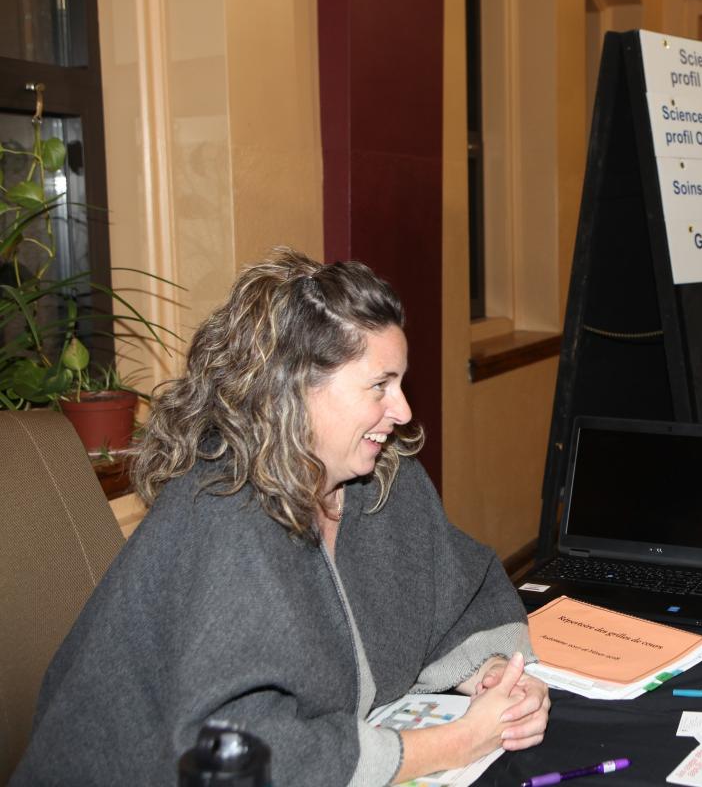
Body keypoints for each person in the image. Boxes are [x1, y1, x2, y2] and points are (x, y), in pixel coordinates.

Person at [14, 249, 550, 786]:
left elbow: (450, 600)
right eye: (380, 385)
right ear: (294, 388)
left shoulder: (382, 479)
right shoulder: (223, 515)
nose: (404, 411)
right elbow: (238, 754)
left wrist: (495, 676)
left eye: (401, 383)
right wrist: (452, 743)